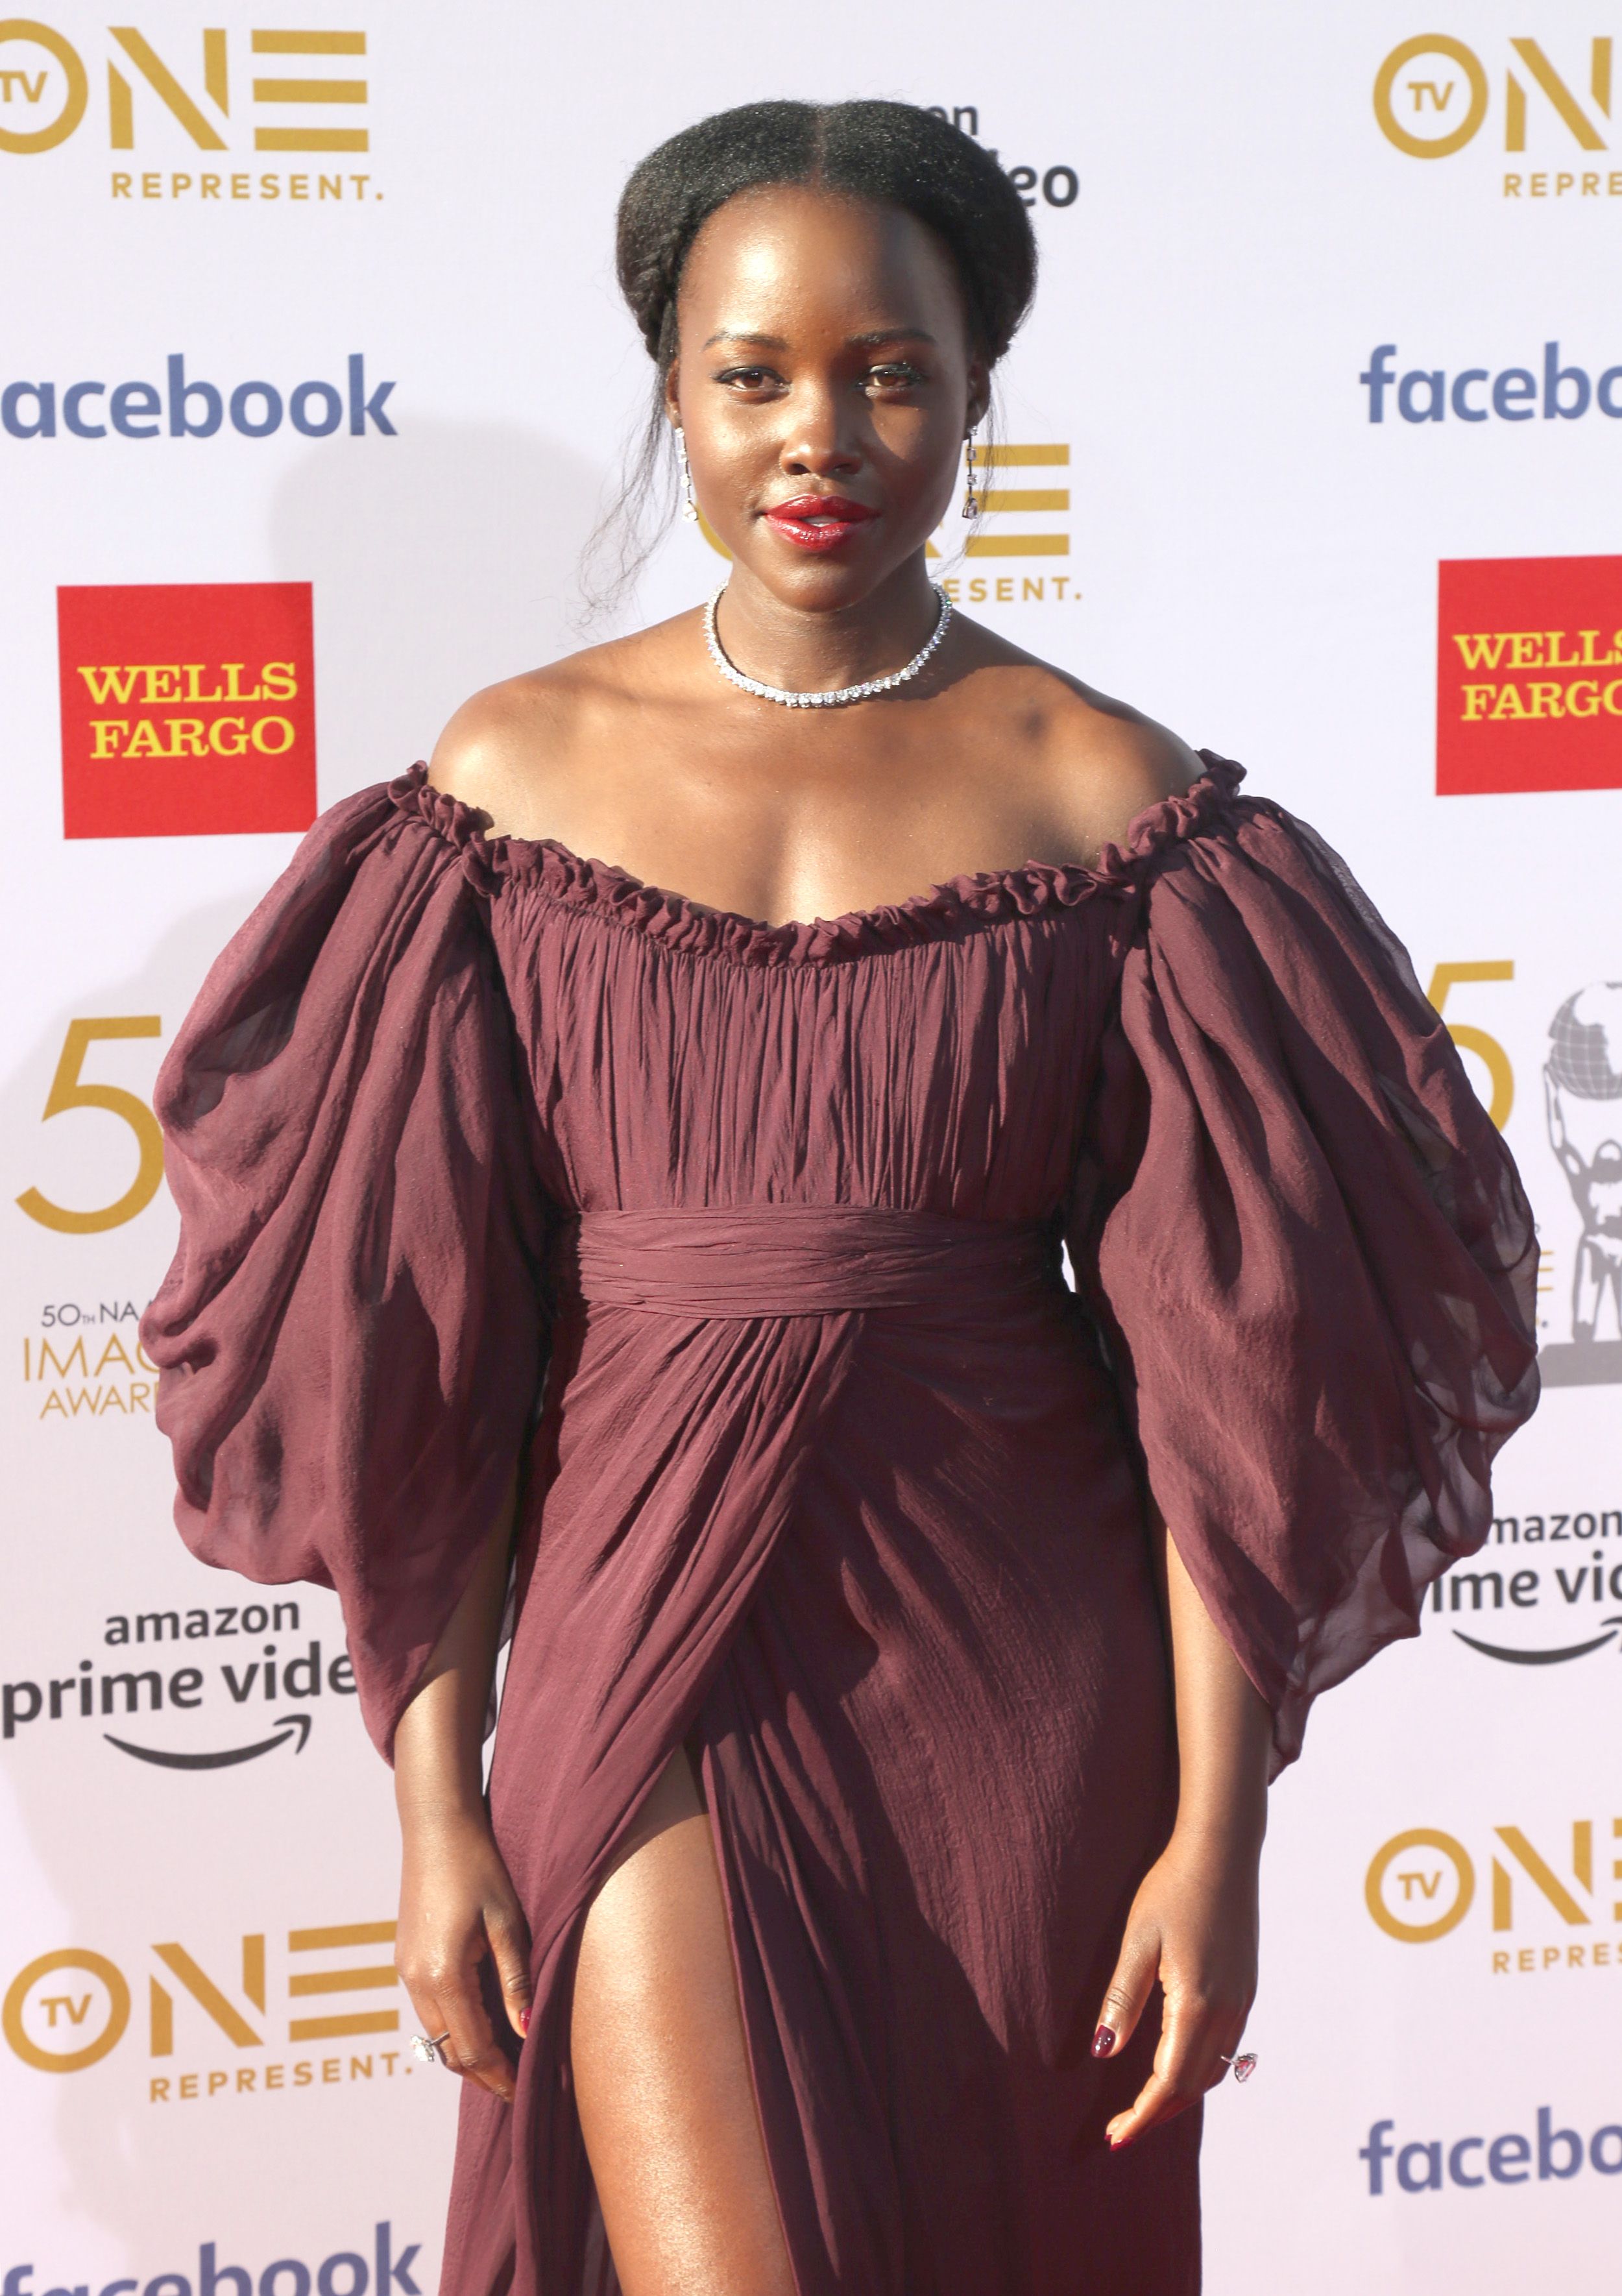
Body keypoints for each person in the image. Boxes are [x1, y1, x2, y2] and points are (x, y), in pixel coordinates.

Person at [142, 99, 1539, 2296]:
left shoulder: (1120, 805)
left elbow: (1227, 1384)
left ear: (979, 385)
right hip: (636, 1623)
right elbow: (417, 1349)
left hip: (1022, 1658)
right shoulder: (501, 787)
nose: (821, 436)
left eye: (889, 371)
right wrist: (431, 1800)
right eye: (752, 374)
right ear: (673, 393)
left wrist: (1213, 1830)